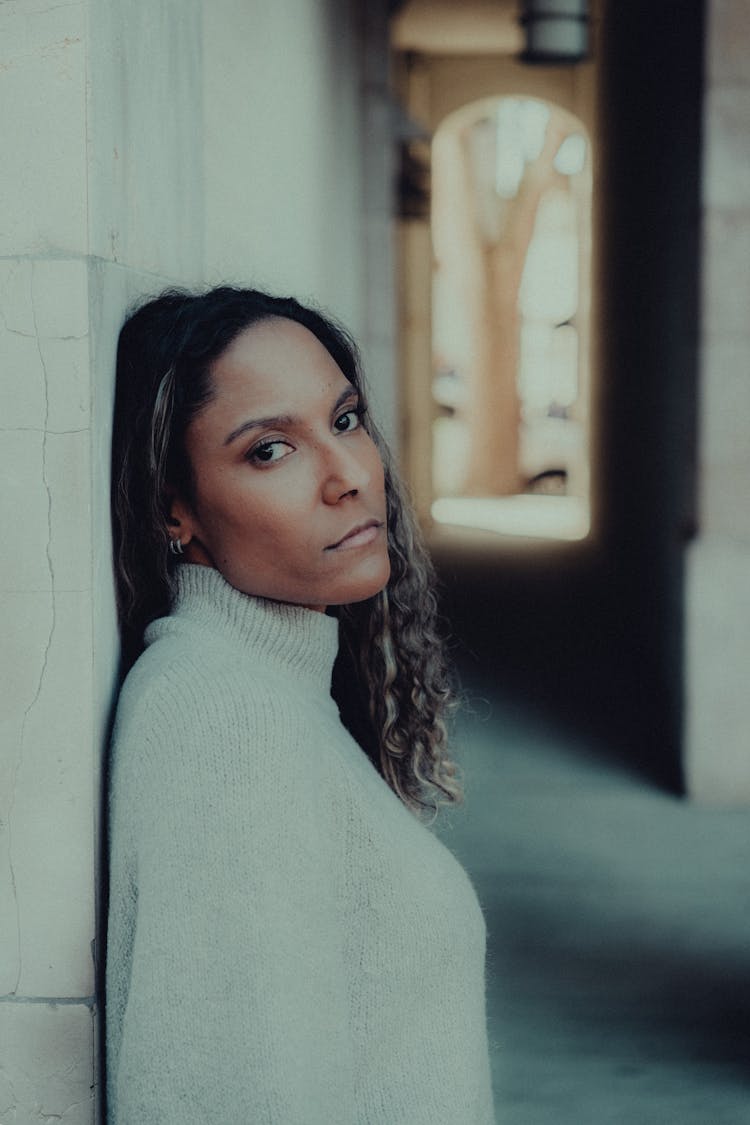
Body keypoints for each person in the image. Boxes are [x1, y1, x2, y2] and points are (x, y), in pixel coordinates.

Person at [105, 286, 494, 1123]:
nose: (350, 476)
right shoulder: (224, 720)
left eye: (346, 420)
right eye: (272, 450)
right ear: (176, 507)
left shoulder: (269, 688)